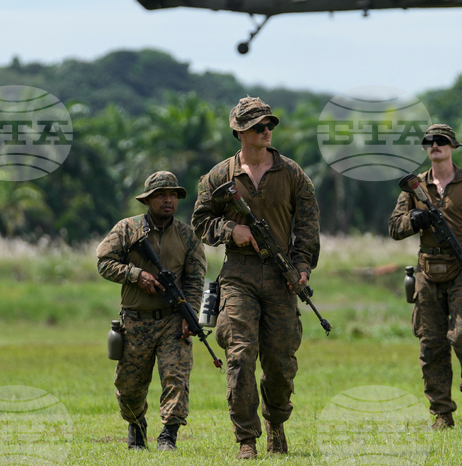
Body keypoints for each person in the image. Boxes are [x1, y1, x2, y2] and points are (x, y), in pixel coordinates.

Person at [191, 96, 320, 460]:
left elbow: (308, 228)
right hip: (238, 274)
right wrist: (231, 229)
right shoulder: (218, 176)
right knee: (239, 355)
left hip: (282, 277)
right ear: (239, 132)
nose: (267, 132)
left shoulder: (293, 174)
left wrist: (302, 268)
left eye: (269, 125)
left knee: (280, 363)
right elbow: (199, 223)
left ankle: (276, 424)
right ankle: (247, 438)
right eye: (258, 127)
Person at [388, 123, 462, 429]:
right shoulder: (414, 186)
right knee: (431, 345)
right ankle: (442, 413)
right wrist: (415, 219)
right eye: (430, 141)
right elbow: (394, 227)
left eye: (441, 141)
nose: (435, 145)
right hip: (427, 273)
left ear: (453, 147)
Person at [96, 171, 207, 451]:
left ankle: (168, 435)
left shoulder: (187, 235)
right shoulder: (126, 229)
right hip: (135, 321)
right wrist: (135, 275)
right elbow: (103, 262)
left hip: (173, 320)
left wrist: (190, 315)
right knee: (129, 387)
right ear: (148, 200)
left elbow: (195, 279)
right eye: (160, 195)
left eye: (172, 195)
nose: (168, 200)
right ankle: (137, 426)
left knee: (176, 377)